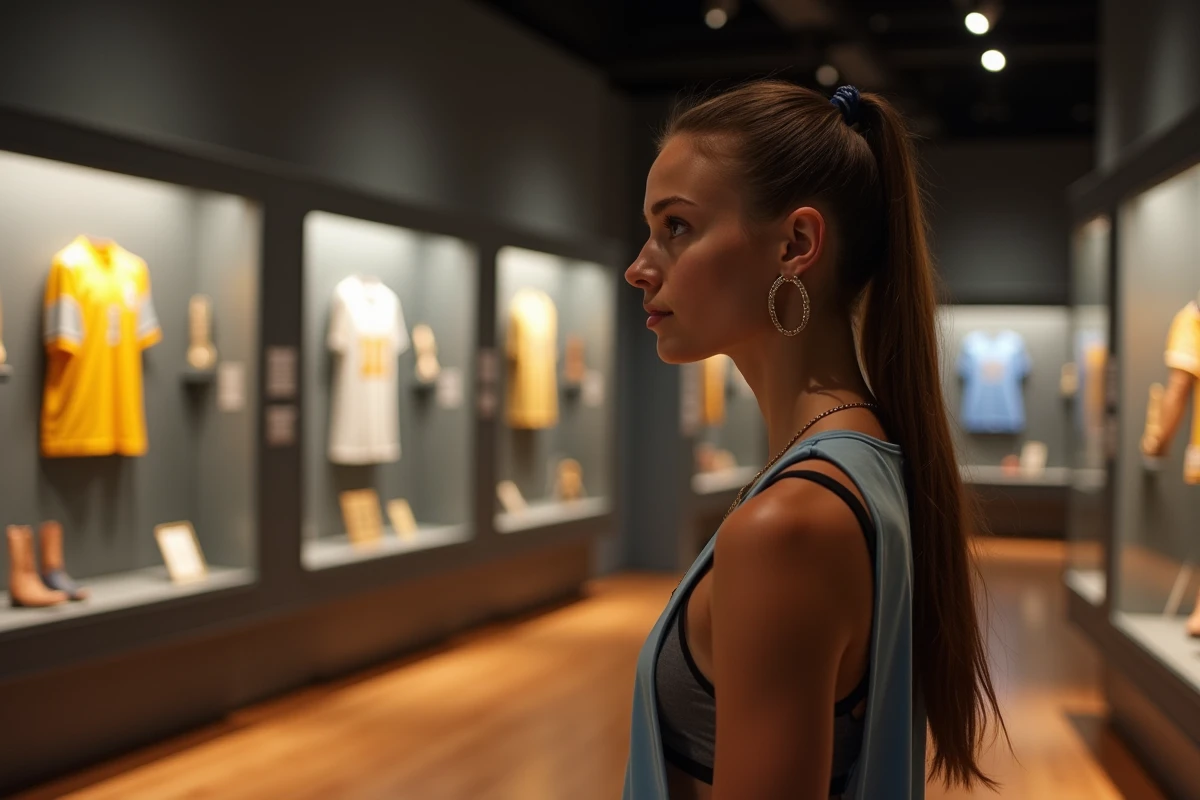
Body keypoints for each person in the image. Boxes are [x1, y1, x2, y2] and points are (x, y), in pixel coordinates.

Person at [622, 82, 1006, 799]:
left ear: (796, 243)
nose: (640, 266)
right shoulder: (870, 455)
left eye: (676, 227)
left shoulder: (788, 525)